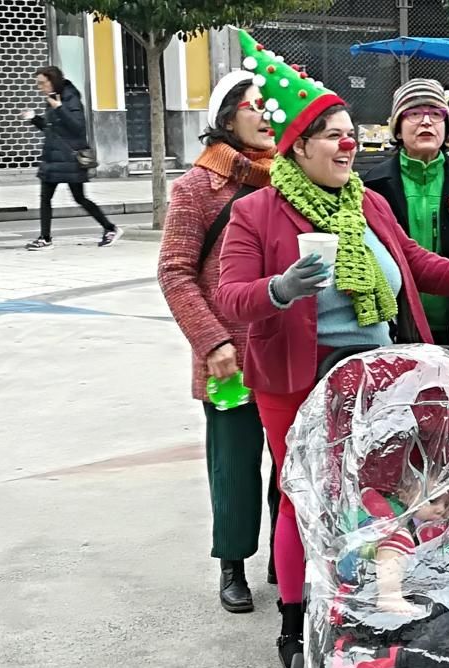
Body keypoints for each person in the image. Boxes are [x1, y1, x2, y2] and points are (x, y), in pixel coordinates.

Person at [213, 31, 449, 668]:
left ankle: (371, 614)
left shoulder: (370, 204)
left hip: (376, 378)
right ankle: (296, 627)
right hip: (297, 381)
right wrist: (278, 288)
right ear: (298, 146)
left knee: (379, 501)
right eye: (331, 133)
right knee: (307, 499)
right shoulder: (257, 213)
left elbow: (418, 264)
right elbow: (231, 297)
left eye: (351, 129)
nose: (347, 142)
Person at [158, 70, 282, 616]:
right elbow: (175, 273)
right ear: (226, 117)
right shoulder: (195, 188)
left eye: (269, 107)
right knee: (233, 464)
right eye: (253, 107)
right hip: (228, 355)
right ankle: (232, 564)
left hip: (284, 349)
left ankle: (289, 556)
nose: (265, 115)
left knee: (292, 462)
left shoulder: (290, 180)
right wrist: (210, 343)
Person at [363, 78, 449, 345]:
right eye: (413, 114)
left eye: (435, 114)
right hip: (395, 326)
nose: (426, 122)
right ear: (397, 129)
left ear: (446, 127)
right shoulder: (373, 187)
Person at [21, 66, 120, 250]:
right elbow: (51, 130)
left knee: (79, 198)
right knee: (45, 198)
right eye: (38, 84)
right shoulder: (51, 99)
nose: (40, 87)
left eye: (42, 83)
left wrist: (59, 108)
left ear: (53, 81)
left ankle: (110, 228)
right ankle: (45, 238)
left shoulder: (70, 98)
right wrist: (34, 118)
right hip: (52, 159)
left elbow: (77, 127)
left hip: (70, 160)